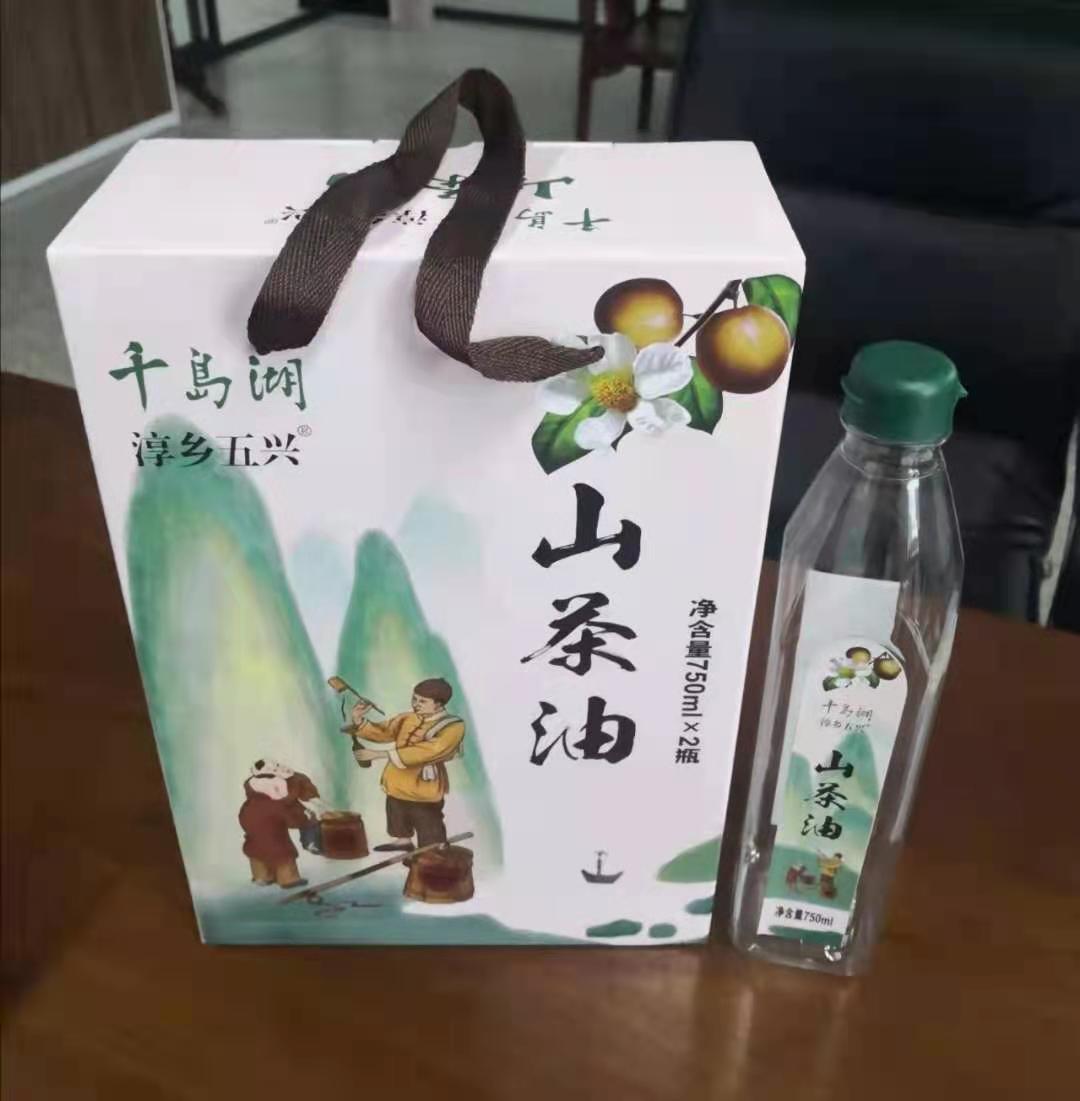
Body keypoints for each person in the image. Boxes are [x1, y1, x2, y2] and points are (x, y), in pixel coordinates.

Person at [349, 677, 465, 852]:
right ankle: (403, 841)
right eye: (414, 699)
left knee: (426, 817)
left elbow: (429, 750)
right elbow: (384, 732)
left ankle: (432, 850)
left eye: (422, 701)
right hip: (397, 780)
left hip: (424, 784)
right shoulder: (407, 717)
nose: (416, 704)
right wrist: (358, 718)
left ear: (439, 704)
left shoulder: (453, 726)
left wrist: (380, 754)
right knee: (396, 810)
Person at [238, 760, 310, 888]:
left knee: (256, 853)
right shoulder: (277, 805)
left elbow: (242, 819)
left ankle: (262, 876)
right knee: (284, 856)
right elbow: (293, 821)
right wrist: (305, 819)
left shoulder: (248, 805)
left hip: (254, 839)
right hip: (277, 840)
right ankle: (288, 880)